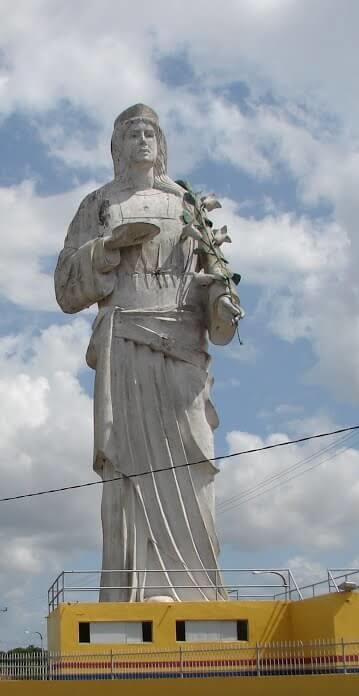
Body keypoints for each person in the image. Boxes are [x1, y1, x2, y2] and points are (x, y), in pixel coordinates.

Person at [55, 103, 243, 602]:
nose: (142, 140)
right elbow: (65, 289)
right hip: (126, 341)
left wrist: (221, 299)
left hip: (183, 344)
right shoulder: (97, 204)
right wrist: (106, 248)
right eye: (131, 133)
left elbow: (212, 274)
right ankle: (128, 593)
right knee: (128, 465)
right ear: (116, 147)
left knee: (192, 452)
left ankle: (200, 590)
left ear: (162, 144)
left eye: (150, 132)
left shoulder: (186, 203)